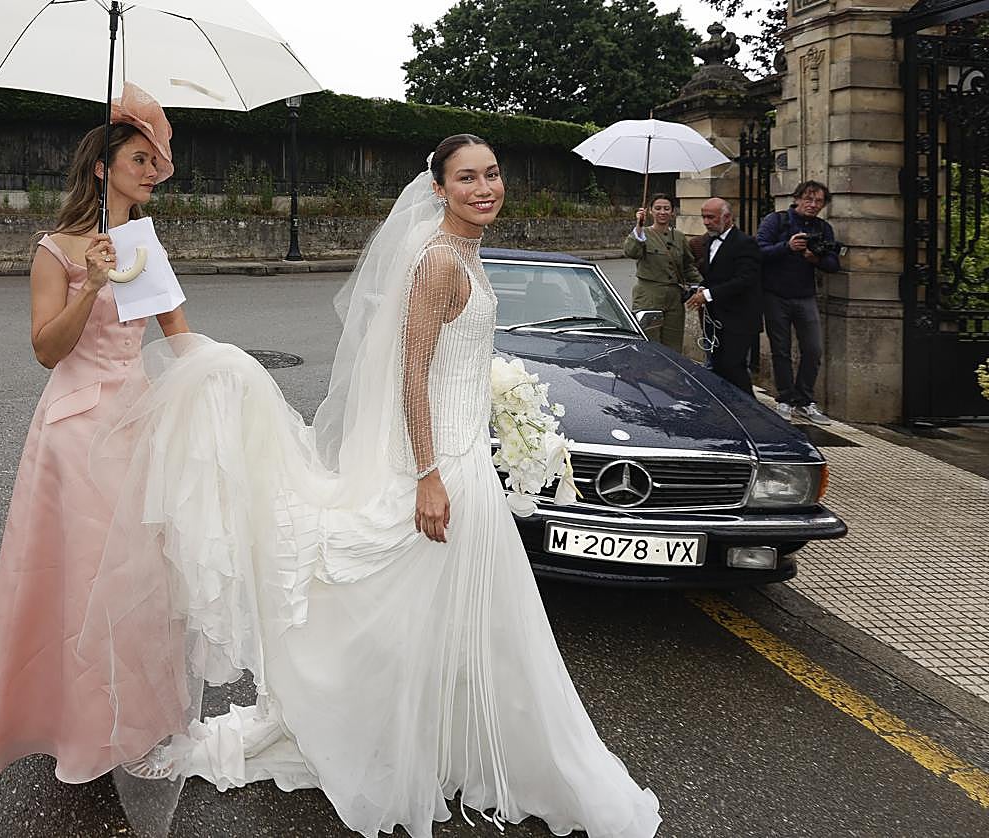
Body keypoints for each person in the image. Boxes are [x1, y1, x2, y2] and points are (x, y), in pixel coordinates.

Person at [80, 135, 661, 838]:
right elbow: (411, 370)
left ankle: (441, 742)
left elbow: (458, 356)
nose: (486, 188)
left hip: (466, 457)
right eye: (468, 178)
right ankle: (392, 741)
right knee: (433, 610)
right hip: (444, 466)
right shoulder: (438, 260)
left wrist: (497, 401)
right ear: (439, 189)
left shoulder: (468, 255)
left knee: (458, 616)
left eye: (493, 174)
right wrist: (428, 477)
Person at [0, 83, 191, 789]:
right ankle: (72, 730)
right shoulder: (56, 250)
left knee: (141, 579)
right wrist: (89, 283)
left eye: (157, 161)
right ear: (103, 167)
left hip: (137, 423)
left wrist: (223, 394)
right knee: (78, 581)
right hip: (74, 435)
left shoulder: (145, 247)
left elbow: (180, 338)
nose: (152, 171)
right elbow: (45, 350)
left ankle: (133, 726)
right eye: (138, 158)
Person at [756, 180, 840, 424]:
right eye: (808, 199)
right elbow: (759, 251)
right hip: (775, 295)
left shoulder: (823, 228)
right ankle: (785, 399)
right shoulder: (776, 221)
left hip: (805, 296)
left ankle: (805, 400)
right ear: (797, 198)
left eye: (818, 201)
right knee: (780, 350)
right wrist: (787, 246)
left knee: (813, 349)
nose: (813, 205)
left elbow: (834, 264)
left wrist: (815, 258)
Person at [685, 198, 762, 396]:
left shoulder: (745, 243)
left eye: (711, 217)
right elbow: (713, 276)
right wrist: (702, 288)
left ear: (727, 218)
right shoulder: (709, 241)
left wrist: (708, 295)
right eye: (703, 217)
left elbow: (745, 280)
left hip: (739, 319)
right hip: (716, 318)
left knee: (734, 368)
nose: (706, 222)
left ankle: (750, 411)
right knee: (718, 367)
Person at [623, 193, 701, 351]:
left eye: (667, 208)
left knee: (673, 345)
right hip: (649, 296)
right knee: (649, 344)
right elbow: (631, 252)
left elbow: (688, 266)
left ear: (673, 212)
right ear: (650, 211)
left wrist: (701, 285)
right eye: (657, 208)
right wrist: (638, 225)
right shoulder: (642, 234)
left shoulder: (679, 237)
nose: (662, 212)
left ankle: (671, 376)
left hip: (674, 298)